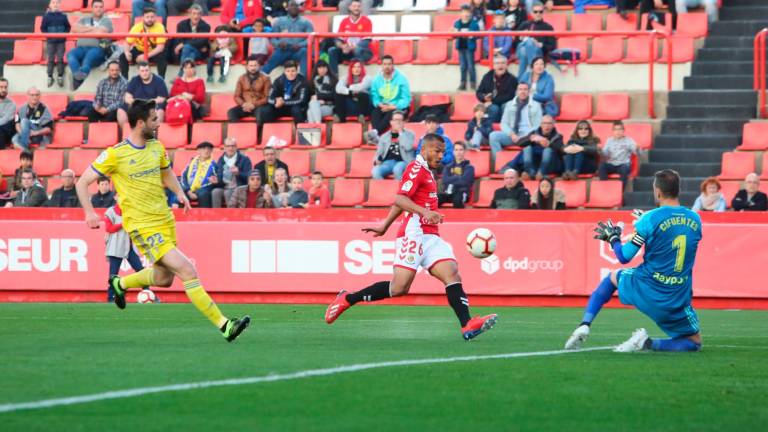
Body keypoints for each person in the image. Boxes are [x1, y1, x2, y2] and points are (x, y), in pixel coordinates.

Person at [75, 99, 251, 341]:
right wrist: (89, 212)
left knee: (163, 278)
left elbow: (166, 172)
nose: (159, 123)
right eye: (154, 119)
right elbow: (82, 182)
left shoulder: (157, 147)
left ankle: (120, 284)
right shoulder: (116, 154)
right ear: (140, 123)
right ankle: (225, 326)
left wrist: (179, 193)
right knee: (188, 270)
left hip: (165, 221)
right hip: (143, 227)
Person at [325, 133, 498, 341]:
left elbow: (402, 202)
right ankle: (348, 298)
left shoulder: (427, 172)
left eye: (443, 152)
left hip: (430, 236)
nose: (441, 156)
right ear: (424, 150)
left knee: (452, 274)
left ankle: (467, 325)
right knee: (399, 288)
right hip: (413, 234)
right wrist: (424, 213)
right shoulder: (415, 169)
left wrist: (384, 225)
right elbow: (399, 198)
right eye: (437, 151)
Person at [565, 169, 703, 353]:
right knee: (693, 342)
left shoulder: (649, 219)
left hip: (647, 287)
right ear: (678, 190)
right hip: (676, 296)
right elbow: (673, 231)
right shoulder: (695, 218)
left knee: (612, 277)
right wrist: (648, 224)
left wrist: (614, 239)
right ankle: (648, 343)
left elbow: (624, 257)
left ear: (658, 192)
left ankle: (585, 324)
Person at [103, 201, 151, 302]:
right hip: (115, 247)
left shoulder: (131, 210)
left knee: (141, 270)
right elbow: (108, 228)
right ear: (116, 198)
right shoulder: (110, 212)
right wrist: (123, 224)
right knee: (113, 274)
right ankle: (110, 297)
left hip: (129, 247)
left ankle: (148, 292)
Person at [488, 82, 542, 157]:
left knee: (536, 139)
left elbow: (537, 125)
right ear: (517, 91)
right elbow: (504, 123)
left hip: (528, 137)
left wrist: (524, 136)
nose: (522, 91)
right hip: (513, 136)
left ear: (529, 91)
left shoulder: (536, 105)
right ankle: (500, 163)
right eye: (520, 89)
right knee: (493, 136)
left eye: (525, 89)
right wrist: (512, 134)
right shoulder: (509, 104)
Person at [68, 0, 113, 89]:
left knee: (87, 60)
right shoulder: (84, 19)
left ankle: (77, 79)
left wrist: (83, 30)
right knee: (70, 55)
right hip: (81, 48)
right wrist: (94, 29)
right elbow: (74, 28)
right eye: (96, 7)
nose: (98, 9)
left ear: (103, 8)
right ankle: (78, 77)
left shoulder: (106, 20)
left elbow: (101, 33)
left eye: (101, 7)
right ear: (92, 8)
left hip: (97, 49)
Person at [262, 2, 313, 75]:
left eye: (296, 6)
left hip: (298, 50)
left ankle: (303, 81)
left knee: (305, 52)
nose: (294, 7)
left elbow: (311, 38)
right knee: (269, 64)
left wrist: (300, 45)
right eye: (291, 6)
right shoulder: (279, 21)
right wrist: (279, 44)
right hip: (283, 49)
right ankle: (259, 79)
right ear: (287, 8)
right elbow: (273, 38)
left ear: (299, 8)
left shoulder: (306, 22)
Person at [120, 7, 168, 79]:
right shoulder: (136, 27)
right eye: (147, 17)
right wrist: (127, 52)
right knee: (123, 56)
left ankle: (161, 80)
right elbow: (127, 42)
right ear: (143, 17)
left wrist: (145, 56)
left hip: (153, 52)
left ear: (155, 17)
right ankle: (124, 81)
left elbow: (160, 48)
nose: (150, 19)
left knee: (162, 57)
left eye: (152, 17)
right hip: (139, 50)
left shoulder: (160, 27)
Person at [328, 0, 373, 75]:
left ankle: (359, 77)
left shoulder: (367, 21)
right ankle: (334, 77)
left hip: (363, 52)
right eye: (354, 6)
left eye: (359, 6)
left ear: (361, 8)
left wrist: (352, 47)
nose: (356, 8)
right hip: (348, 51)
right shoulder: (344, 21)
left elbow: (366, 41)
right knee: (331, 50)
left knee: (357, 50)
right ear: (349, 7)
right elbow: (338, 39)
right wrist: (342, 46)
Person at [370, 55, 412, 134]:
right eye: (385, 64)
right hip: (384, 106)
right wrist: (379, 104)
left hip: (398, 106)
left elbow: (406, 99)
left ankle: (375, 133)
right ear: (381, 65)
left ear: (393, 65)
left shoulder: (401, 79)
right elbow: (375, 96)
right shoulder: (376, 80)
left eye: (389, 64)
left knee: (392, 113)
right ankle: (376, 135)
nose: (387, 66)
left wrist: (394, 106)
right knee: (375, 112)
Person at [515, 114, 563, 179]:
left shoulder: (558, 136)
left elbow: (561, 150)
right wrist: (531, 139)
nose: (547, 126)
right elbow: (519, 143)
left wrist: (549, 144)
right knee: (527, 148)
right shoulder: (534, 133)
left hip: (549, 165)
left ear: (553, 125)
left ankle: (540, 173)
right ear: (540, 124)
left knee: (547, 150)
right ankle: (530, 172)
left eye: (549, 123)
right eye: (544, 123)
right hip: (535, 162)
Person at [515, 2, 556, 76]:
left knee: (524, 51)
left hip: (537, 52)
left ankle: (521, 82)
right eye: (535, 11)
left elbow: (552, 46)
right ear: (531, 13)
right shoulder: (524, 24)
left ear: (543, 12)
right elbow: (515, 42)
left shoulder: (548, 27)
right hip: (522, 50)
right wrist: (522, 38)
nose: (538, 13)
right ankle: (535, 73)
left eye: (540, 11)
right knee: (529, 42)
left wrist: (540, 45)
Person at [372, 111, 415, 180]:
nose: (398, 122)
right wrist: (376, 160)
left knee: (397, 169)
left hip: (404, 161)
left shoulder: (410, 134)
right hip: (388, 162)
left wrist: (400, 132)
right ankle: (386, 190)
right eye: (395, 120)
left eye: (400, 120)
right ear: (391, 122)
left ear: (404, 122)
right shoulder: (384, 136)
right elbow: (378, 153)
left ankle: (400, 190)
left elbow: (408, 147)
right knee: (375, 171)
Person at [228, 55, 272, 123]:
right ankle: (239, 132)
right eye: (251, 66)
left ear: (259, 66)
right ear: (247, 67)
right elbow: (237, 96)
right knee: (231, 112)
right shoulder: (241, 78)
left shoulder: (265, 78)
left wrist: (253, 105)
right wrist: (244, 104)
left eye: (255, 65)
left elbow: (267, 97)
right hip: (245, 106)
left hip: (258, 106)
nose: (253, 68)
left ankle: (258, 133)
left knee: (261, 114)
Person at [212, 137, 252, 208]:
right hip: (224, 187)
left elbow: (249, 177)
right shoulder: (221, 160)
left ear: (236, 147)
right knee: (215, 192)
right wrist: (217, 181)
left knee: (229, 192)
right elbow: (220, 179)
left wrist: (238, 173)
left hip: (238, 187)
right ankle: (216, 215)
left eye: (233, 146)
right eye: (228, 146)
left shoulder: (244, 159)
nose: (230, 148)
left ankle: (231, 216)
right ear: (224, 147)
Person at [476, 56, 518, 123]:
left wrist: (492, 101)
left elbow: (510, 96)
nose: (500, 65)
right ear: (494, 65)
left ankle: (506, 127)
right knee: (494, 108)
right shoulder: (487, 76)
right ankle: (490, 127)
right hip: (492, 105)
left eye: (503, 63)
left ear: (507, 65)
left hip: (504, 103)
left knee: (506, 106)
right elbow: (479, 92)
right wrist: (484, 97)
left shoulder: (512, 79)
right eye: (497, 63)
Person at [598, 121, 637, 189]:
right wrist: (600, 150)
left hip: (623, 164)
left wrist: (637, 148)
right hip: (612, 164)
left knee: (624, 169)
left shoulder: (628, 140)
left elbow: (637, 152)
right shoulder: (609, 140)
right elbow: (605, 153)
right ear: (613, 131)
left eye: (620, 129)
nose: (618, 131)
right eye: (615, 129)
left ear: (623, 130)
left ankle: (620, 191)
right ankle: (605, 188)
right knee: (602, 166)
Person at [171, 5, 211, 72]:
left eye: (198, 14)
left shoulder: (206, 26)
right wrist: (195, 43)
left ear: (201, 15)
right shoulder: (181, 25)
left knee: (187, 47)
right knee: (190, 54)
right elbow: (179, 40)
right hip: (187, 51)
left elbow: (202, 41)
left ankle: (180, 75)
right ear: (189, 14)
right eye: (194, 13)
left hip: (200, 52)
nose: (196, 16)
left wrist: (184, 43)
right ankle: (185, 76)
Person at [41, 0, 70, 88]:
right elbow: (43, 28)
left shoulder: (64, 16)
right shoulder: (46, 17)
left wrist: (63, 35)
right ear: (50, 5)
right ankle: (50, 76)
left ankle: (60, 75)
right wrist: (49, 36)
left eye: (57, 3)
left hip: (61, 42)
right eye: (53, 3)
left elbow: (68, 27)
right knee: (50, 59)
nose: (55, 4)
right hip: (51, 42)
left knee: (60, 58)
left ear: (60, 4)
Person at [90, 61, 129, 126]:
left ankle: (105, 132)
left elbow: (120, 102)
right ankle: (95, 133)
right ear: (108, 70)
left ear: (119, 70)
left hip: (114, 110)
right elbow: (97, 98)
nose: (114, 72)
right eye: (112, 70)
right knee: (91, 112)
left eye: (116, 70)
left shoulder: (124, 83)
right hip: (102, 108)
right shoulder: (102, 82)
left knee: (111, 115)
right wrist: (97, 106)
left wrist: (107, 109)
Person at [181, 141, 218, 208]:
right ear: (198, 151)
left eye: (209, 149)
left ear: (211, 151)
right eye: (204, 148)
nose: (206, 151)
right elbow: (184, 177)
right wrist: (188, 191)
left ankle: (205, 217)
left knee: (203, 194)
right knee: (180, 195)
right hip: (189, 189)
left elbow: (214, 181)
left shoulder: (213, 165)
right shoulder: (192, 163)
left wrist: (197, 191)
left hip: (203, 190)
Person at [438, 142, 475, 209]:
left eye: (461, 150)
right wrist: (458, 178)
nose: (458, 152)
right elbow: (445, 180)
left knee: (457, 199)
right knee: (435, 199)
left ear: (465, 151)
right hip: (448, 193)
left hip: (462, 193)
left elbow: (465, 182)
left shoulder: (469, 167)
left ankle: (460, 219)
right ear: (453, 152)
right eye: (456, 150)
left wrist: (451, 179)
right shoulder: (448, 167)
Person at [454, 5, 481, 91]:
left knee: (470, 66)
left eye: (467, 12)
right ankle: (463, 83)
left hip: (469, 48)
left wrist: (472, 36)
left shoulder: (474, 23)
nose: (465, 14)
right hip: (461, 47)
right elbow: (453, 35)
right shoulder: (457, 23)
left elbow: (478, 35)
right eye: (463, 12)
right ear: (460, 13)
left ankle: (473, 83)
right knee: (462, 66)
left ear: (470, 13)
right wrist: (455, 33)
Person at [0, 78, 16, 149]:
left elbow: (5, 120)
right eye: (1, 87)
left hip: (6, 130)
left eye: (5, 87)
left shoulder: (11, 104)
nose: (3, 90)